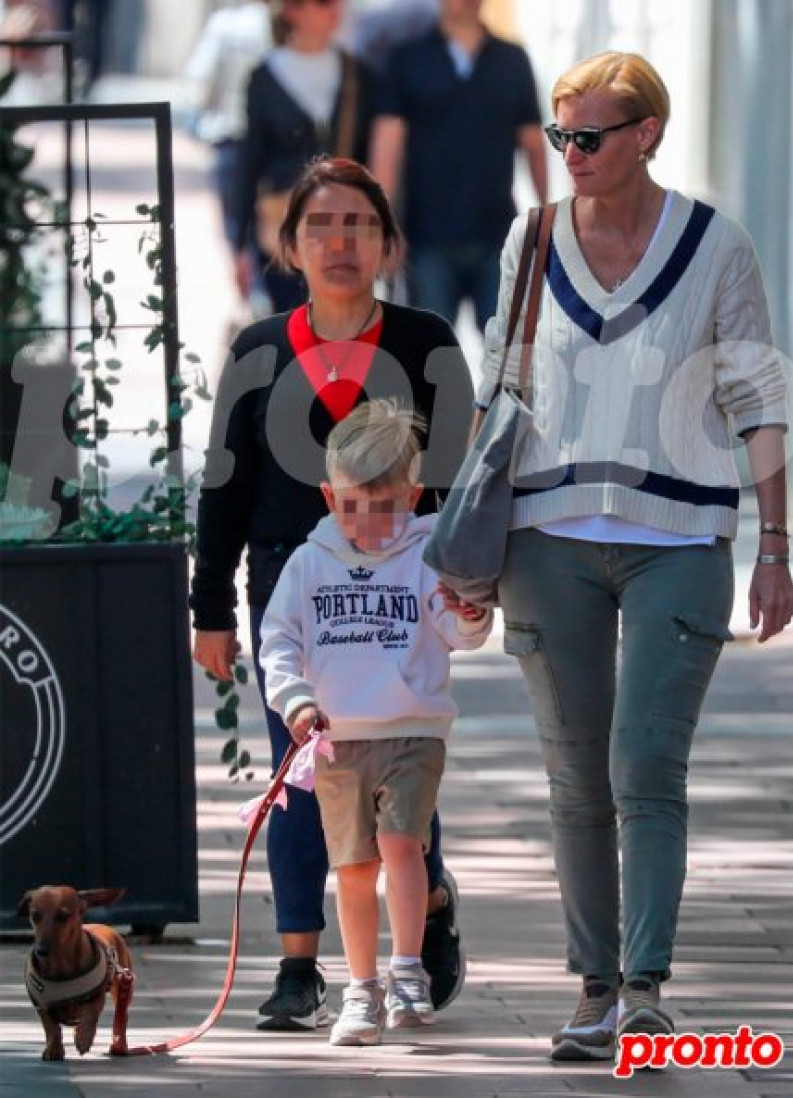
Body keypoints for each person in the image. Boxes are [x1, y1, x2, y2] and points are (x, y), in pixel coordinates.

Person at [473, 51, 793, 1062]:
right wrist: (465, 559)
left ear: (646, 133)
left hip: (681, 541)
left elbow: (755, 401)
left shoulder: (716, 248)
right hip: (544, 539)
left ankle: (645, 989)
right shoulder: (528, 238)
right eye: (561, 135)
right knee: (574, 779)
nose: (568, 153)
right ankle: (592, 989)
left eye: (589, 137)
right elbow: (498, 391)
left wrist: (774, 541)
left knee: (644, 764)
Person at [190, 157, 475, 1032]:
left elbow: (463, 479)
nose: (340, 241)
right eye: (321, 225)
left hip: (403, 584)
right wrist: (211, 611)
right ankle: (299, 967)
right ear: (291, 245)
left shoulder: (425, 342)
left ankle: (423, 911)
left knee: (397, 776)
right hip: (294, 578)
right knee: (305, 775)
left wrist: (469, 587)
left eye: (359, 224)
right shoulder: (257, 349)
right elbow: (221, 485)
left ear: (388, 243)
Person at [260, 399, 492, 1046]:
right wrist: (295, 698)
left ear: (414, 496)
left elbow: (458, 629)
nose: (370, 521)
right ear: (330, 497)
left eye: (387, 506)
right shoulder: (309, 563)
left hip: (413, 731)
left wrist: (469, 613)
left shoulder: (427, 553)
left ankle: (408, 969)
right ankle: (361, 991)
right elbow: (277, 638)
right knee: (354, 867)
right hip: (339, 737)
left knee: (401, 845)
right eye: (355, 505)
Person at [370, 0, 548, 331]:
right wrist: (384, 223)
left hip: (497, 235)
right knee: (431, 359)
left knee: (510, 359)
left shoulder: (512, 60)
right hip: (427, 238)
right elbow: (387, 145)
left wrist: (548, 220)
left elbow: (533, 143)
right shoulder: (408, 59)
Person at [233, 0, 374, 314]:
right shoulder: (264, 77)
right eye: (323, 2)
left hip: (347, 227)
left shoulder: (358, 74)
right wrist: (239, 245)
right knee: (293, 331)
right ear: (291, 10)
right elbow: (250, 161)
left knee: (345, 333)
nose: (335, 8)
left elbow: (373, 158)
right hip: (284, 227)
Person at [182, 0, 274, 255]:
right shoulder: (286, 26)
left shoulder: (225, 25)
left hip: (230, 132)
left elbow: (201, 79)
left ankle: (245, 274)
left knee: (236, 223)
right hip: (277, 140)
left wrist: (201, 115)